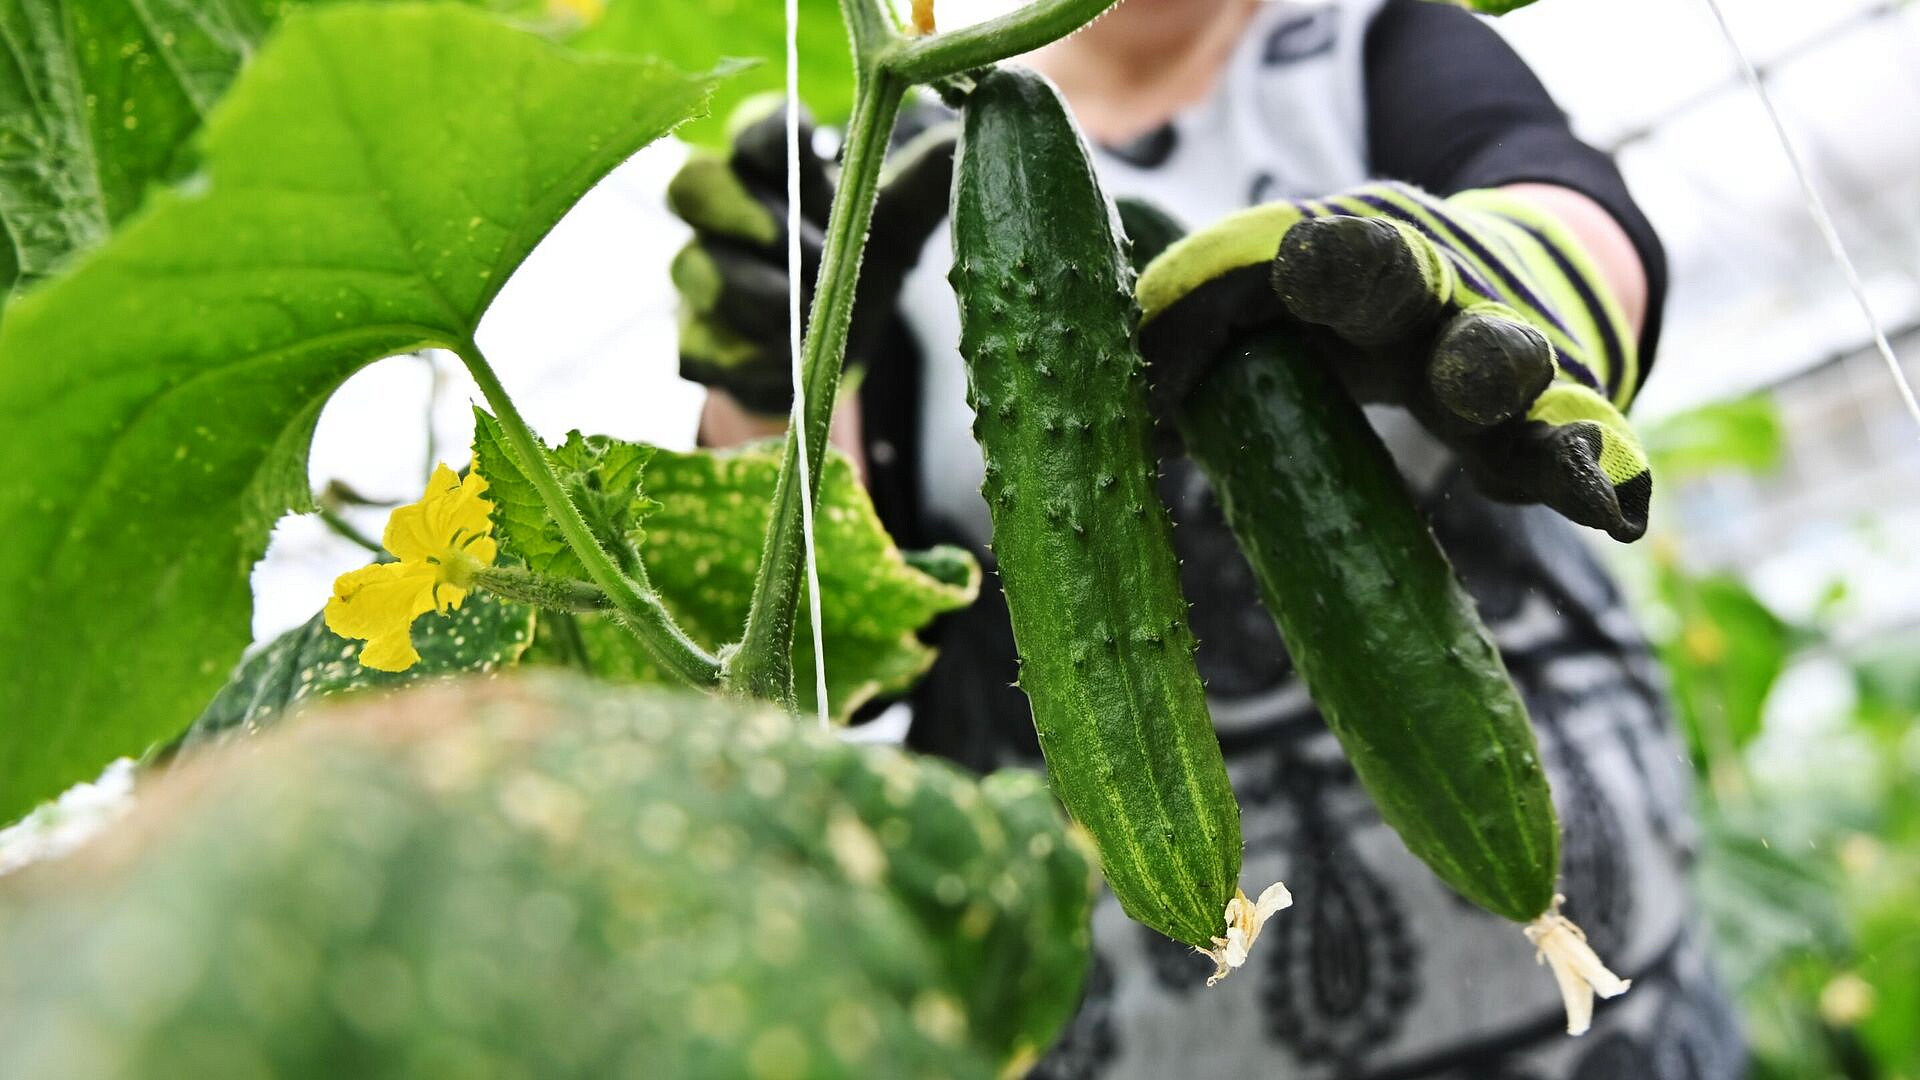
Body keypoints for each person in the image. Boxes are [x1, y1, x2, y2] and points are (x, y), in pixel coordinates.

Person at [669, 0, 1744, 1075]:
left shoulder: (1368, 38)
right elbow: (835, 605)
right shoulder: (905, 158)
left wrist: (1521, 274)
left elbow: (1566, 207)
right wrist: (762, 390)